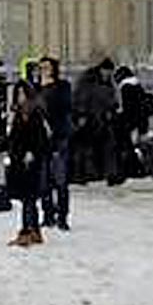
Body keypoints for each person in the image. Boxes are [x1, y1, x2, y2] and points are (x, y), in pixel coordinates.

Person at [3, 81, 51, 247]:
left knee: (28, 198)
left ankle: (26, 231)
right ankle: (35, 231)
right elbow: (13, 138)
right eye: (18, 94)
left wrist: (32, 152)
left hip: (29, 162)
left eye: (23, 93)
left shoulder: (33, 114)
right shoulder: (19, 114)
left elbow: (39, 138)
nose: (20, 97)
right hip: (20, 161)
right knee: (28, 199)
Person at [35, 57, 73, 225]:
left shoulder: (62, 87)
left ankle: (62, 216)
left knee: (60, 179)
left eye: (47, 67)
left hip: (58, 137)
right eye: (41, 68)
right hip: (41, 140)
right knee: (43, 181)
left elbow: (65, 108)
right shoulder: (35, 88)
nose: (43, 70)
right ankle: (48, 213)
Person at [73, 59, 119, 188]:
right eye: (107, 71)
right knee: (85, 149)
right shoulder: (88, 82)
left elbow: (111, 99)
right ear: (101, 69)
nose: (108, 74)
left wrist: (112, 109)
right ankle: (83, 175)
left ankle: (110, 175)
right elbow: (81, 98)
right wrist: (82, 115)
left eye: (110, 72)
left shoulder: (107, 82)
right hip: (89, 120)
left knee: (109, 148)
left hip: (103, 119)